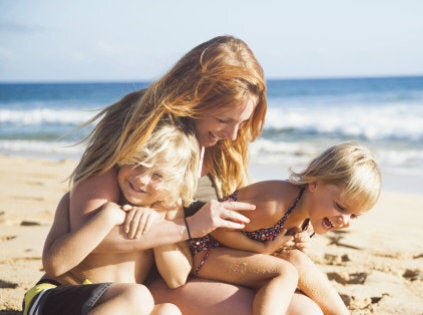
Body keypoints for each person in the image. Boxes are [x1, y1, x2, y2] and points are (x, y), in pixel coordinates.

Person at [39, 35, 322, 314]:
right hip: (148, 282)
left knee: (305, 308)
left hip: (196, 266)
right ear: (193, 98)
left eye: (242, 122)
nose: (233, 134)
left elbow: (235, 226)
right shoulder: (137, 127)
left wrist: (291, 230)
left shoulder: (226, 145)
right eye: (223, 119)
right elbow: (88, 236)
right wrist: (183, 228)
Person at [187, 142, 382, 315]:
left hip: (236, 254)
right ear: (314, 183)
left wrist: (296, 244)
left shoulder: (306, 210)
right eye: (340, 207)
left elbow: (277, 243)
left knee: (297, 260)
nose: (344, 220)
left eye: (353, 215)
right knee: (286, 272)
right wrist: (262, 249)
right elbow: (218, 228)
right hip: (205, 252)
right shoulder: (273, 204)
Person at [24, 124, 199, 314]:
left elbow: (177, 278)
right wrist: (107, 216)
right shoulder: (83, 202)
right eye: (138, 163)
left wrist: (158, 226)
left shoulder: (167, 212)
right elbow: (55, 265)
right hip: (53, 299)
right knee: (138, 296)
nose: (141, 179)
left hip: (115, 306)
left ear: (175, 182)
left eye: (157, 175)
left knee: (168, 311)